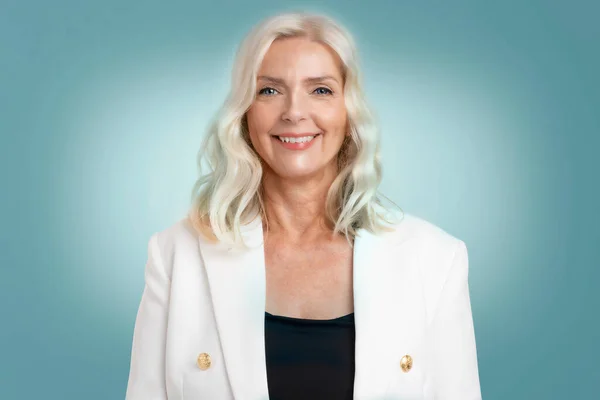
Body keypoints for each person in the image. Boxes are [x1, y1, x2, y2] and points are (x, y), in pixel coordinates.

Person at [125, 11, 482, 400]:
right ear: (244, 114)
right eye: (270, 90)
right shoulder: (176, 255)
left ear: (349, 112)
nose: (294, 112)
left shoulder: (435, 260)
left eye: (321, 90)